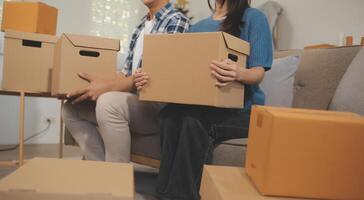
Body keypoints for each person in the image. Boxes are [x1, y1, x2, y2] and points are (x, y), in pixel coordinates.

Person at [134, 0, 273, 199]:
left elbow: (258, 72)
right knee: (168, 115)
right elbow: (185, 73)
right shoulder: (197, 28)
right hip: (202, 106)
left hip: (244, 112)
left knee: (194, 119)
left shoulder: (253, 18)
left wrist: (238, 73)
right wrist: (147, 77)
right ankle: (163, 194)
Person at [62, 0, 190, 162]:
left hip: (158, 106)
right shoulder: (140, 27)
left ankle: (117, 177)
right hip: (135, 101)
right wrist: (92, 85)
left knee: (109, 102)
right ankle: (101, 170)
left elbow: (154, 76)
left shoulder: (176, 21)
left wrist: (106, 88)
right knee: (71, 108)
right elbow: (125, 74)